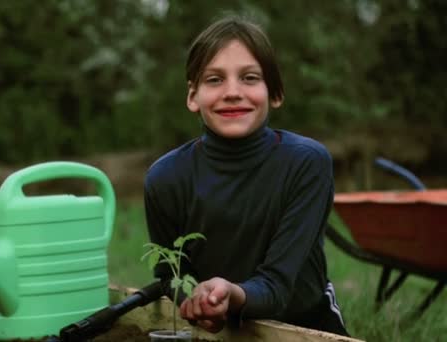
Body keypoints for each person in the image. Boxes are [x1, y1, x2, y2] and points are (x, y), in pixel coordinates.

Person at [143, 15, 350, 337]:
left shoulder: (306, 163)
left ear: (275, 92)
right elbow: (171, 272)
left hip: (304, 326)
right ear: (192, 96)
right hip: (215, 331)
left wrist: (231, 294)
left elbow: (278, 286)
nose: (232, 92)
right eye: (214, 80)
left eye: (250, 78)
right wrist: (198, 302)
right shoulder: (165, 177)